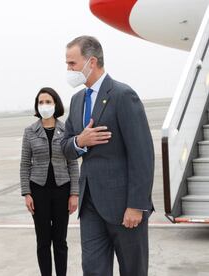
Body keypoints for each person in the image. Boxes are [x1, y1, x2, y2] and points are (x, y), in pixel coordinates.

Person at [61, 36, 154, 276]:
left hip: (124, 205)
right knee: (92, 270)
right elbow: (65, 146)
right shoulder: (77, 99)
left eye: (72, 63)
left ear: (91, 62)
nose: (68, 69)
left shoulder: (123, 95)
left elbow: (142, 154)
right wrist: (80, 141)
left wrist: (136, 205)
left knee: (133, 270)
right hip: (90, 203)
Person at [20, 87, 79, 276]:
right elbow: (24, 164)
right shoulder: (30, 131)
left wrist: (74, 194)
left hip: (62, 190)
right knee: (43, 241)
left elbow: (73, 163)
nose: (44, 105)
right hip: (39, 191)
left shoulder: (66, 130)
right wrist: (26, 192)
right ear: (37, 106)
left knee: (60, 240)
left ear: (56, 104)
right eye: (41, 102)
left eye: (48, 101)